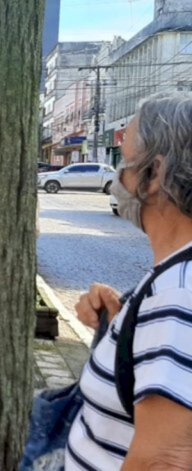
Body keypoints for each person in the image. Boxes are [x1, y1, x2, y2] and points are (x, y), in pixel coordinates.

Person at [67, 92, 192, 469]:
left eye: (125, 161)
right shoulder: (172, 279)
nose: (117, 178)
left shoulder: (179, 296)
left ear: (153, 174)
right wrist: (125, 324)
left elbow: (165, 460)